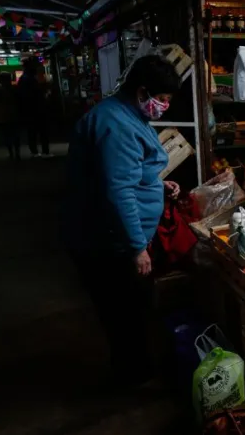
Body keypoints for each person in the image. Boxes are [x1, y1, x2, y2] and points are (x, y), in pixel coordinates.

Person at [63, 54, 182, 384]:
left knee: (131, 311)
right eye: (162, 99)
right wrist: (136, 247)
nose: (164, 106)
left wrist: (156, 185)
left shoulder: (125, 114)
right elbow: (118, 190)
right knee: (125, 313)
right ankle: (134, 380)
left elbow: (128, 172)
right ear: (142, 91)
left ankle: (135, 369)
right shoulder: (115, 125)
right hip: (106, 240)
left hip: (111, 234)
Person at [18, 58, 50, 157]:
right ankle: (43, 151)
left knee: (33, 132)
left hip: (30, 110)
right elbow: (34, 95)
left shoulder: (25, 78)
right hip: (35, 109)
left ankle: (35, 151)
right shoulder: (30, 79)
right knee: (41, 131)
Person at [0, 71, 21, 160]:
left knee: (6, 135)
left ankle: (11, 153)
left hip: (2, 115)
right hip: (15, 114)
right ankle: (17, 153)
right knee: (16, 135)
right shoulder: (15, 88)